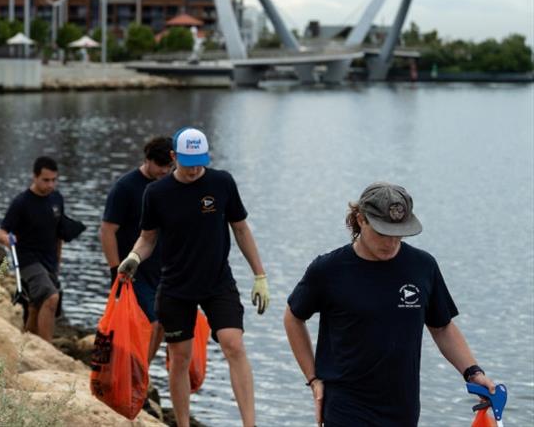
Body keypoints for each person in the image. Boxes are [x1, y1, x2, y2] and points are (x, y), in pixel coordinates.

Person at [284, 182, 497, 427]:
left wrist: (473, 372)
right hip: (346, 407)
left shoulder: (423, 267)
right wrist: (313, 379)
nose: (391, 242)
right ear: (360, 219)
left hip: (402, 409)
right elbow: (293, 317)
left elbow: (442, 327)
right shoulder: (328, 270)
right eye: (383, 233)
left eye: (398, 233)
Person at [118, 127, 270, 427]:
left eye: (200, 161)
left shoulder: (222, 182)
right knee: (180, 357)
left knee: (233, 345)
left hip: (217, 281)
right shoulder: (157, 193)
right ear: (174, 157)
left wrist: (260, 274)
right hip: (176, 286)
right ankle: (184, 424)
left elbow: (240, 229)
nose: (195, 169)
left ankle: (250, 424)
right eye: (188, 163)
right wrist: (134, 257)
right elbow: (147, 238)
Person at [100, 136, 173, 363]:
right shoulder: (125, 187)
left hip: (161, 269)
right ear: (147, 160)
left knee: (162, 326)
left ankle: (142, 370)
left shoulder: (168, 186)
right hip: (132, 270)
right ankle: (137, 373)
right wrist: (115, 269)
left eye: (169, 166)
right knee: (152, 324)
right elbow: (107, 230)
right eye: (160, 166)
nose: (165, 171)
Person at [0, 156, 66, 342]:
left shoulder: (57, 199)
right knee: (51, 298)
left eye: (54, 180)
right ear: (34, 177)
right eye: (46, 180)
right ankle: (47, 351)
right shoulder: (21, 203)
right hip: (27, 261)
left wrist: (58, 263)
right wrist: (7, 239)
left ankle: (28, 345)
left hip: (49, 262)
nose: (50, 184)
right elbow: (0, 232)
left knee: (35, 307)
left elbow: (59, 235)